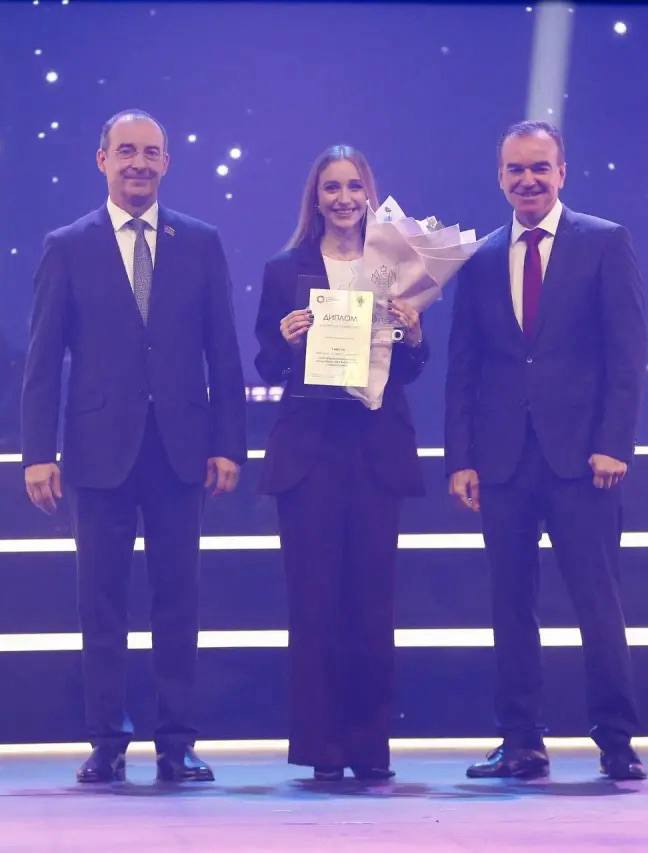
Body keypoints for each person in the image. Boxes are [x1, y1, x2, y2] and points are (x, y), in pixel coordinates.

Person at [21, 109, 246, 784]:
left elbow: (223, 352)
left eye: (151, 152)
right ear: (102, 160)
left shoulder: (199, 242)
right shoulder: (68, 245)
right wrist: (37, 452)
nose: (139, 163)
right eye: (126, 151)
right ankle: (107, 740)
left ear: (167, 163)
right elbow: (43, 358)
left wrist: (228, 443)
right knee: (102, 601)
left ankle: (177, 742)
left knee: (179, 598)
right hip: (98, 451)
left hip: (181, 449)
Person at [444, 121, 648, 781]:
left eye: (539, 168)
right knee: (509, 604)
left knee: (597, 600)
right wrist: (461, 457)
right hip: (502, 460)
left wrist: (613, 443)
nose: (528, 180)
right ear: (499, 177)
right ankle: (521, 741)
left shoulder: (604, 241)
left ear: (562, 172)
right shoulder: (480, 257)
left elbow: (627, 354)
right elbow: (464, 364)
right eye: (516, 169)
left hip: (583, 461)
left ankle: (617, 741)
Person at [253, 145, 427, 782]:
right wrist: (285, 338)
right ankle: (321, 747)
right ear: (316, 198)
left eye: (355, 186)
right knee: (315, 603)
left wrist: (414, 334)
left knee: (372, 606)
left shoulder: (397, 267)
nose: (345, 198)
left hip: (376, 451)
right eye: (332, 187)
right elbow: (266, 364)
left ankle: (369, 746)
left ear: (369, 195)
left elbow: (412, 367)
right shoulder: (285, 269)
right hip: (310, 455)